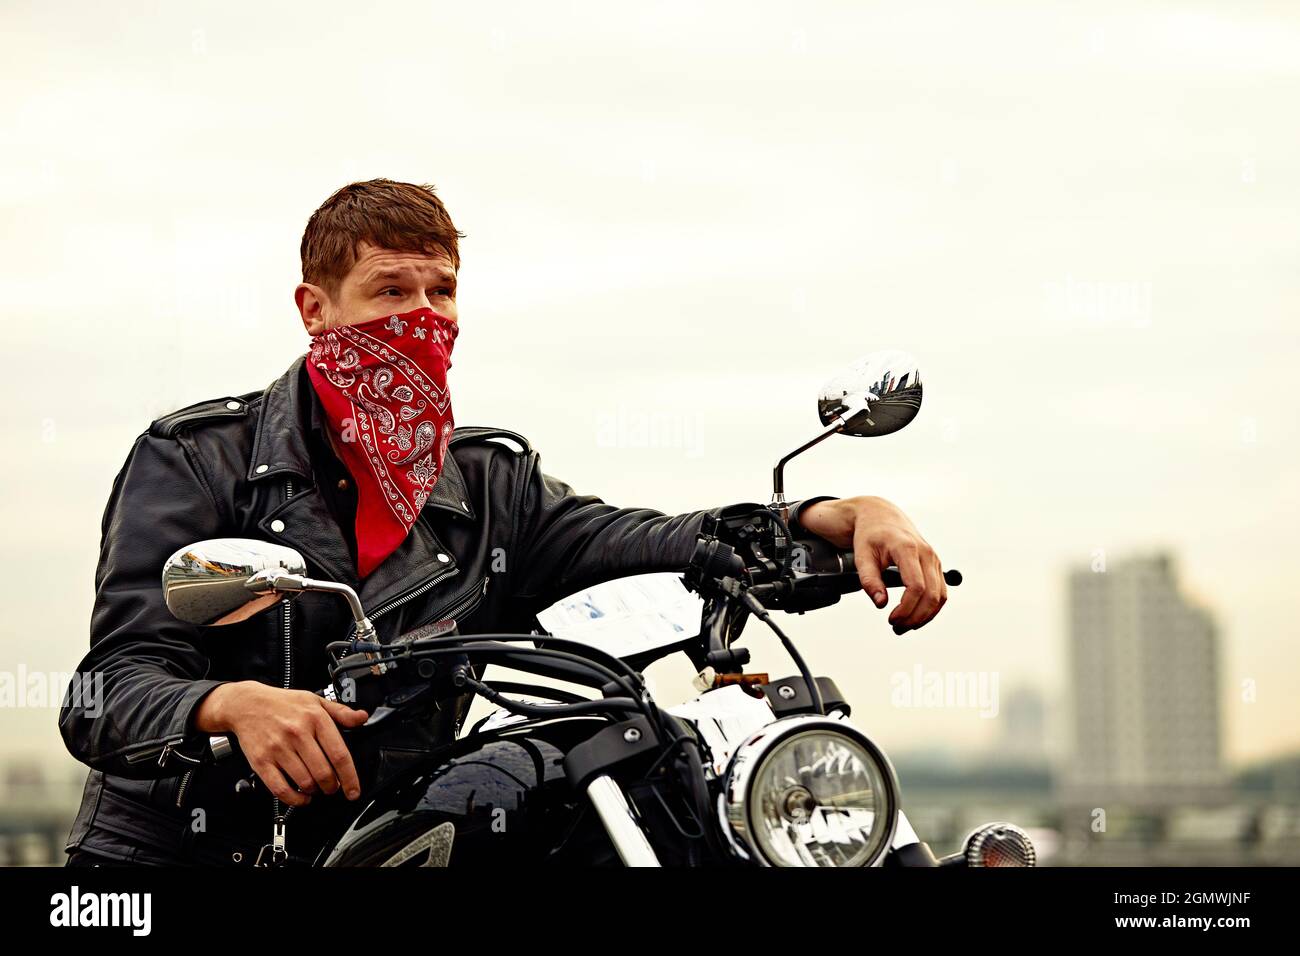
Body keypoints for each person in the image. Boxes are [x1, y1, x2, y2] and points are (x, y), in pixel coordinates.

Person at [58, 179, 949, 865]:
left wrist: (828, 516)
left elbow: (638, 538)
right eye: (389, 291)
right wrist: (232, 704)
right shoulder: (196, 459)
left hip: (402, 831)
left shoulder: (490, 484)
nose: (421, 318)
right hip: (184, 851)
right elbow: (107, 691)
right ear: (314, 309)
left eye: (440, 293)